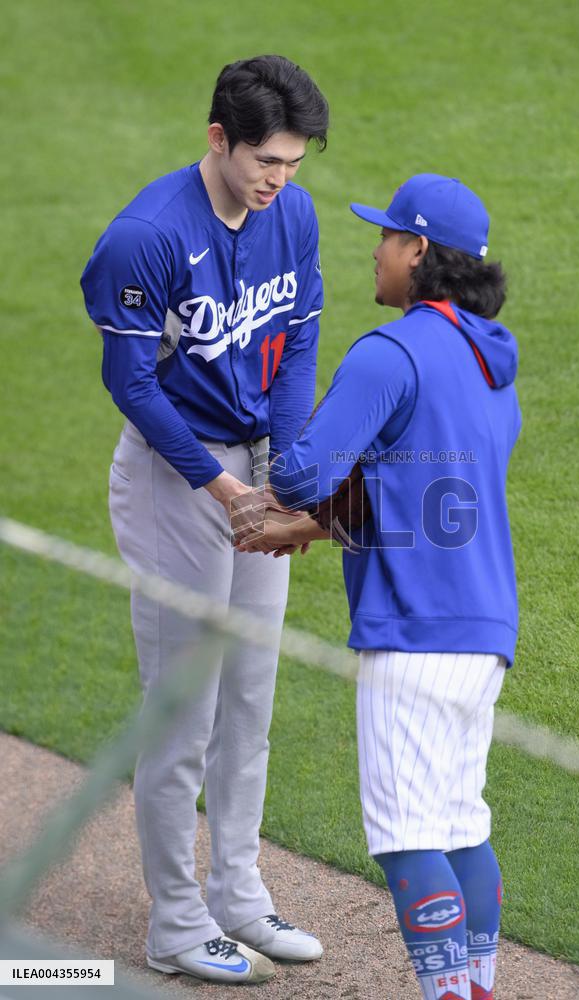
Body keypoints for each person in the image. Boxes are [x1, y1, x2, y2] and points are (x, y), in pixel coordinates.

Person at [234, 174, 521, 1000]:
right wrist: (313, 527)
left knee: (404, 837)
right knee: (459, 823)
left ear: (419, 252)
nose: (376, 248)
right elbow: (426, 502)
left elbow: (298, 471)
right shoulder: (489, 366)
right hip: (482, 631)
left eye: (388, 237)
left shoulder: (389, 352)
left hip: (411, 634)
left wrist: (292, 455)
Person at [80, 55, 329, 985]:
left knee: (250, 696)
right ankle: (175, 927)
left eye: (294, 163)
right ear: (217, 137)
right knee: (183, 710)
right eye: (266, 159)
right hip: (172, 481)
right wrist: (222, 488)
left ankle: (237, 892)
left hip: (254, 469)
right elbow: (131, 384)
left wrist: (283, 460)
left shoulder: (289, 214)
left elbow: (296, 336)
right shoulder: (143, 237)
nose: (280, 179)